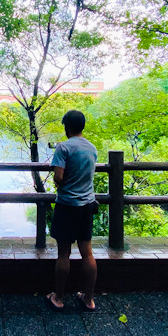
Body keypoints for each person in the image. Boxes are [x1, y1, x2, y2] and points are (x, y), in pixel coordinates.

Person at [46, 110, 99, 312]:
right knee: (87, 252)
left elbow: (58, 178)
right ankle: (89, 299)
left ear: (67, 127)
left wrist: (63, 179)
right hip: (87, 204)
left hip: (67, 204)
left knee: (63, 253)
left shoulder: (63, 147)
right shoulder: (92, 148)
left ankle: (58, 298)